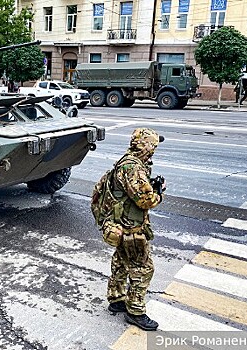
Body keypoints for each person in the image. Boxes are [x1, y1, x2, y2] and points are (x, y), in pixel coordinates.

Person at [103, 128, 165, 331]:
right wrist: (158, 194)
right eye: (153, 145)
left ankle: (116, 299)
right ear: (146, 146)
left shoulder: (127, 161)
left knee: (121, 262)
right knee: (143, 268)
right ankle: (135, 311)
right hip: (131, 228)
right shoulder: (133, 169)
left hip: (120, 224)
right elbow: (145, 200)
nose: (154, 149)